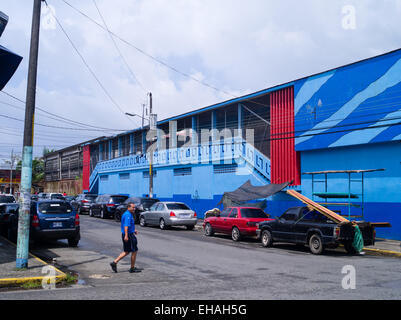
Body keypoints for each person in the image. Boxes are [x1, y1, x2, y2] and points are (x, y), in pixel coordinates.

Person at [110, 202, 142, 273]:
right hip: (129, 235)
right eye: (133, 207)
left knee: (127, 251)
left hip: (129, 233)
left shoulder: (127, 214)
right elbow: (126, 226)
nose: (134, 209)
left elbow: (128, 225)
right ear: (128, 207)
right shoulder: (127, 215)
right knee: (134, 251)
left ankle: (114, 262)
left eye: (134, 207)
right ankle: (132, 268)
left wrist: (134, 230)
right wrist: (126, 235)